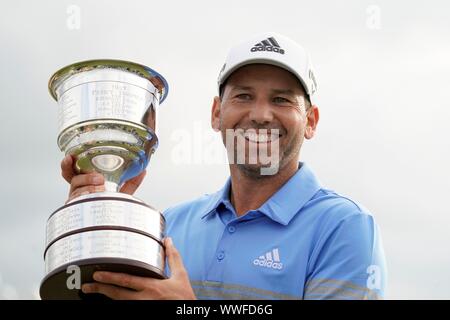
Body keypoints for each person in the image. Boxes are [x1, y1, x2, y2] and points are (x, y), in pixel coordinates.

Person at [61, 32, 387, 300]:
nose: (260, 114)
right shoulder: (168, 225)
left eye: (281, 99)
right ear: (216, 113)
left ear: (311, 121)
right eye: (244, 96)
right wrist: (99, 215)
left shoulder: (344, 228)